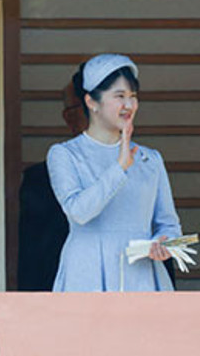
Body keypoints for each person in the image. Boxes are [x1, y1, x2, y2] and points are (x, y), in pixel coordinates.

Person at [47, 54, 181, 292]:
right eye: (119, 96)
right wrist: (119, 167)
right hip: (86, 273)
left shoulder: (150, 159)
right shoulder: (65, 154)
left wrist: (165, 244)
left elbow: (169, 225)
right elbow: (79, 211)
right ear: (92, 102)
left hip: (142, 277)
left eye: (133, 97)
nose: (129, 106)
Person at [18, 81, 87, 291]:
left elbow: (168, 235)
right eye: (89, 109)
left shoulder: (144, 164)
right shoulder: (40, 180)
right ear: (69, 117)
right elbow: (32, 258)